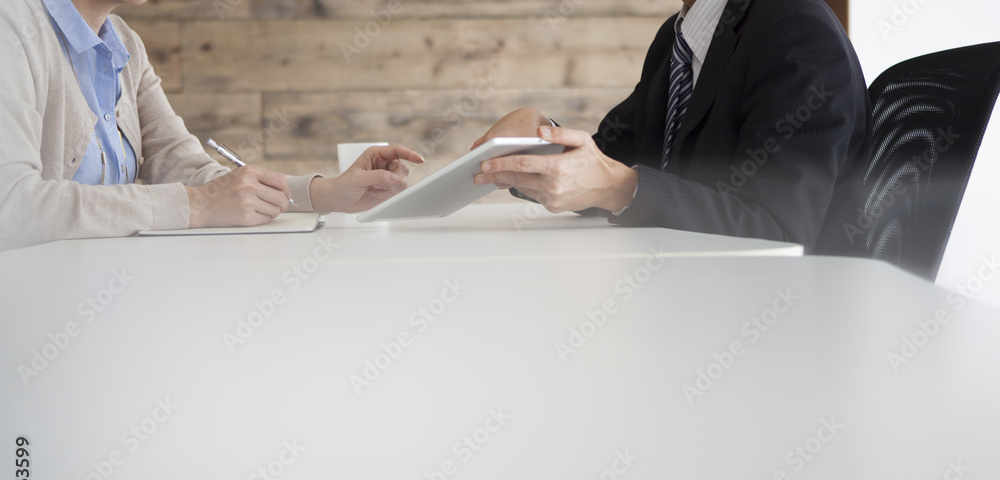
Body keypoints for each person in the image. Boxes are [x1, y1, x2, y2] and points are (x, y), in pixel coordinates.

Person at [0, 0, 423, 251]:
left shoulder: (124, 44)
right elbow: (12, 208)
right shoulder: (12, 29)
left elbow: (189, 171)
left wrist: (322, 193)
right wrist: (195, 205)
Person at [472, 0, 872, 252]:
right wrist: (539, 140)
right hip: (682, 295)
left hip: (776, 323)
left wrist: (621, 187)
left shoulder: (797, 30)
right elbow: (613, 157)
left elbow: (780, 230)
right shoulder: (679, 37)